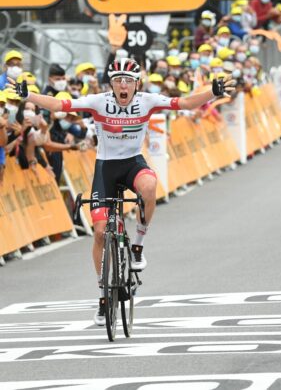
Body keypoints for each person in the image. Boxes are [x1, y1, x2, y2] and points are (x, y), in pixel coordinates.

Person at [10, 58, 234, 326]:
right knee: (100, 233)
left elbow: (184, 103)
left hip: (132, 163)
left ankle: (137, 245)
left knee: (149, 186)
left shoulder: (148, 101)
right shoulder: (99, 102)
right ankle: (103, 296)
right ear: (111, 84)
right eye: (118, 81)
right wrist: (28, 95)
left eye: (128, 80)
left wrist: (213, 92)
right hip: (105, 168)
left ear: (137, 84)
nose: (123, 85)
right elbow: (60, 105)